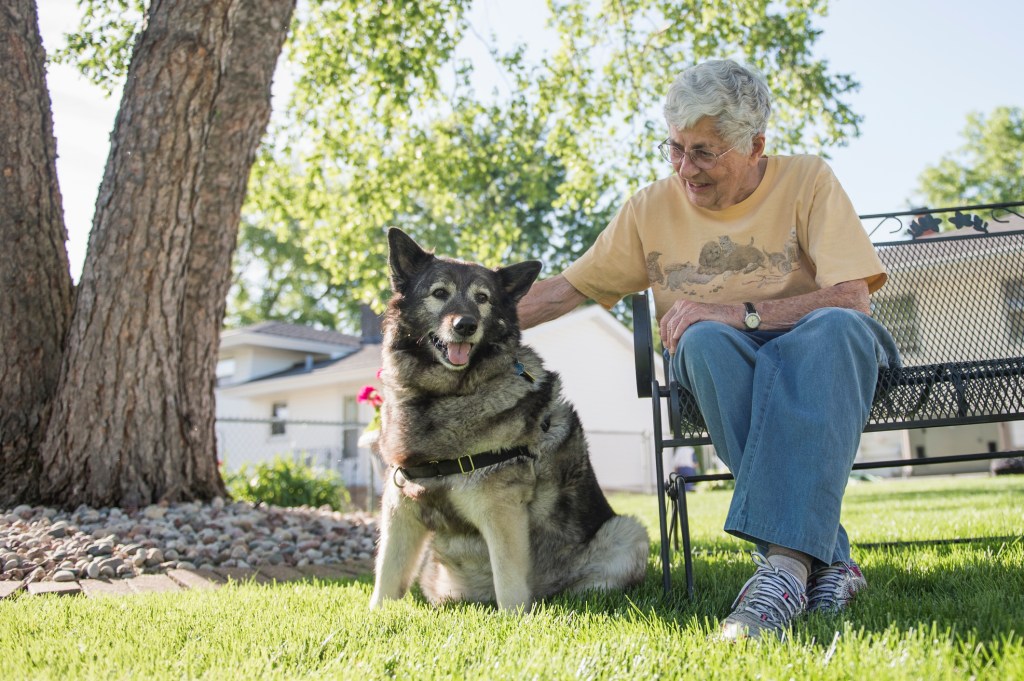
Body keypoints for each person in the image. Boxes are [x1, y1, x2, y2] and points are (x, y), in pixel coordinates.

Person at [518, 59, 900, 640]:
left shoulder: (807, 179)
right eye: (674, 148)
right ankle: (824, 563)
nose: (684, 169)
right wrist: (463, 318)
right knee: (700, 340)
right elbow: (567, 290)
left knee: (833, 328)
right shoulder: (649, 208)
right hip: (724, 362)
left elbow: (851, 298)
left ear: (755, 146)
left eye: (704, 152)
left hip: (826, 354)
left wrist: (739, 311)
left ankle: (785, 569)